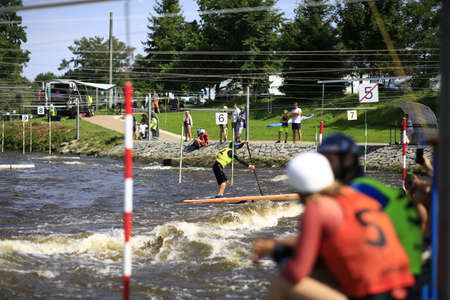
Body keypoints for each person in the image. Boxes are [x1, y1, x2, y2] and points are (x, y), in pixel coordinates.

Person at [253, 152, 415, 300]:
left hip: (374, 294)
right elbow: (340, 238)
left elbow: (297, 272)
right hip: (404, 288)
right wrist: (277, 244)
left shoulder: (317, 207)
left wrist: (276, 253)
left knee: (282, 283)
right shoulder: (355, 196)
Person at [317, 134, 423, 278]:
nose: (323, 167)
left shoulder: (355, 193)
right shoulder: (373, 188)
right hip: (408, 267)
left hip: (395, 274)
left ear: (348, 160)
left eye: (328, 161)